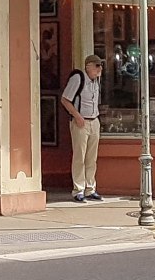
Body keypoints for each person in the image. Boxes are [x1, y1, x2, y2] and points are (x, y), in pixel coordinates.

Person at [61, 54, 104, 202]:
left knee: (91, 158)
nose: (100, 69)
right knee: (80, 156)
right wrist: (77, 115)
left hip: (93, 120)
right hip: (81, 122)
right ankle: (78, 189)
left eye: (101, 66)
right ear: (88, 66)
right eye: (97, 66)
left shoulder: (96, 82)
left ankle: (90, 188)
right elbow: (65, 99)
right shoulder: (78, 78)